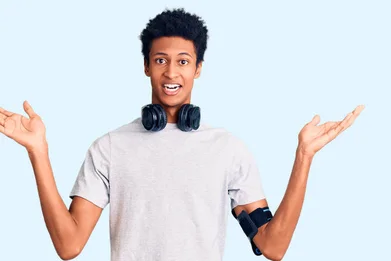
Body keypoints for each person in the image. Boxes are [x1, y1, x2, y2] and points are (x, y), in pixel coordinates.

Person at [0, 7, 364, 261]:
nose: (171, 72)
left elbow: (274, 247)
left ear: (198, 68)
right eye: (160, 60)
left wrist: (304, 157)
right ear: (146, 66)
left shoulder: (227, 149)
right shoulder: (109, 148)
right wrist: (38, 151)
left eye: (183, 61)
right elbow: (69, 245)